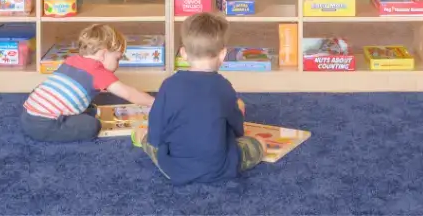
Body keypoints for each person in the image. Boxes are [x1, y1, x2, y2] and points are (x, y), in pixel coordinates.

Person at [134, 12, 263, 184]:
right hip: (219, 168)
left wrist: (150, 139)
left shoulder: (169, 85)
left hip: (174, 169)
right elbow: (238, 130)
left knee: (148, 138)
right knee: (259, 144)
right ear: (223, 54)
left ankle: (140, 136)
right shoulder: (223, 86)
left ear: (183, 53)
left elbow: (156, 130)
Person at [21, 24, 155, 142]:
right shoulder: (98, 71)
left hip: (27, 116)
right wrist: (155, 102)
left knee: (89, 107)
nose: (118, 65)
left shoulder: (71, 60)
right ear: (103, 54)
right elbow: (129, 94)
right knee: (92, 126)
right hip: (45, 126)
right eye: (117, 59)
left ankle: (72, 116)